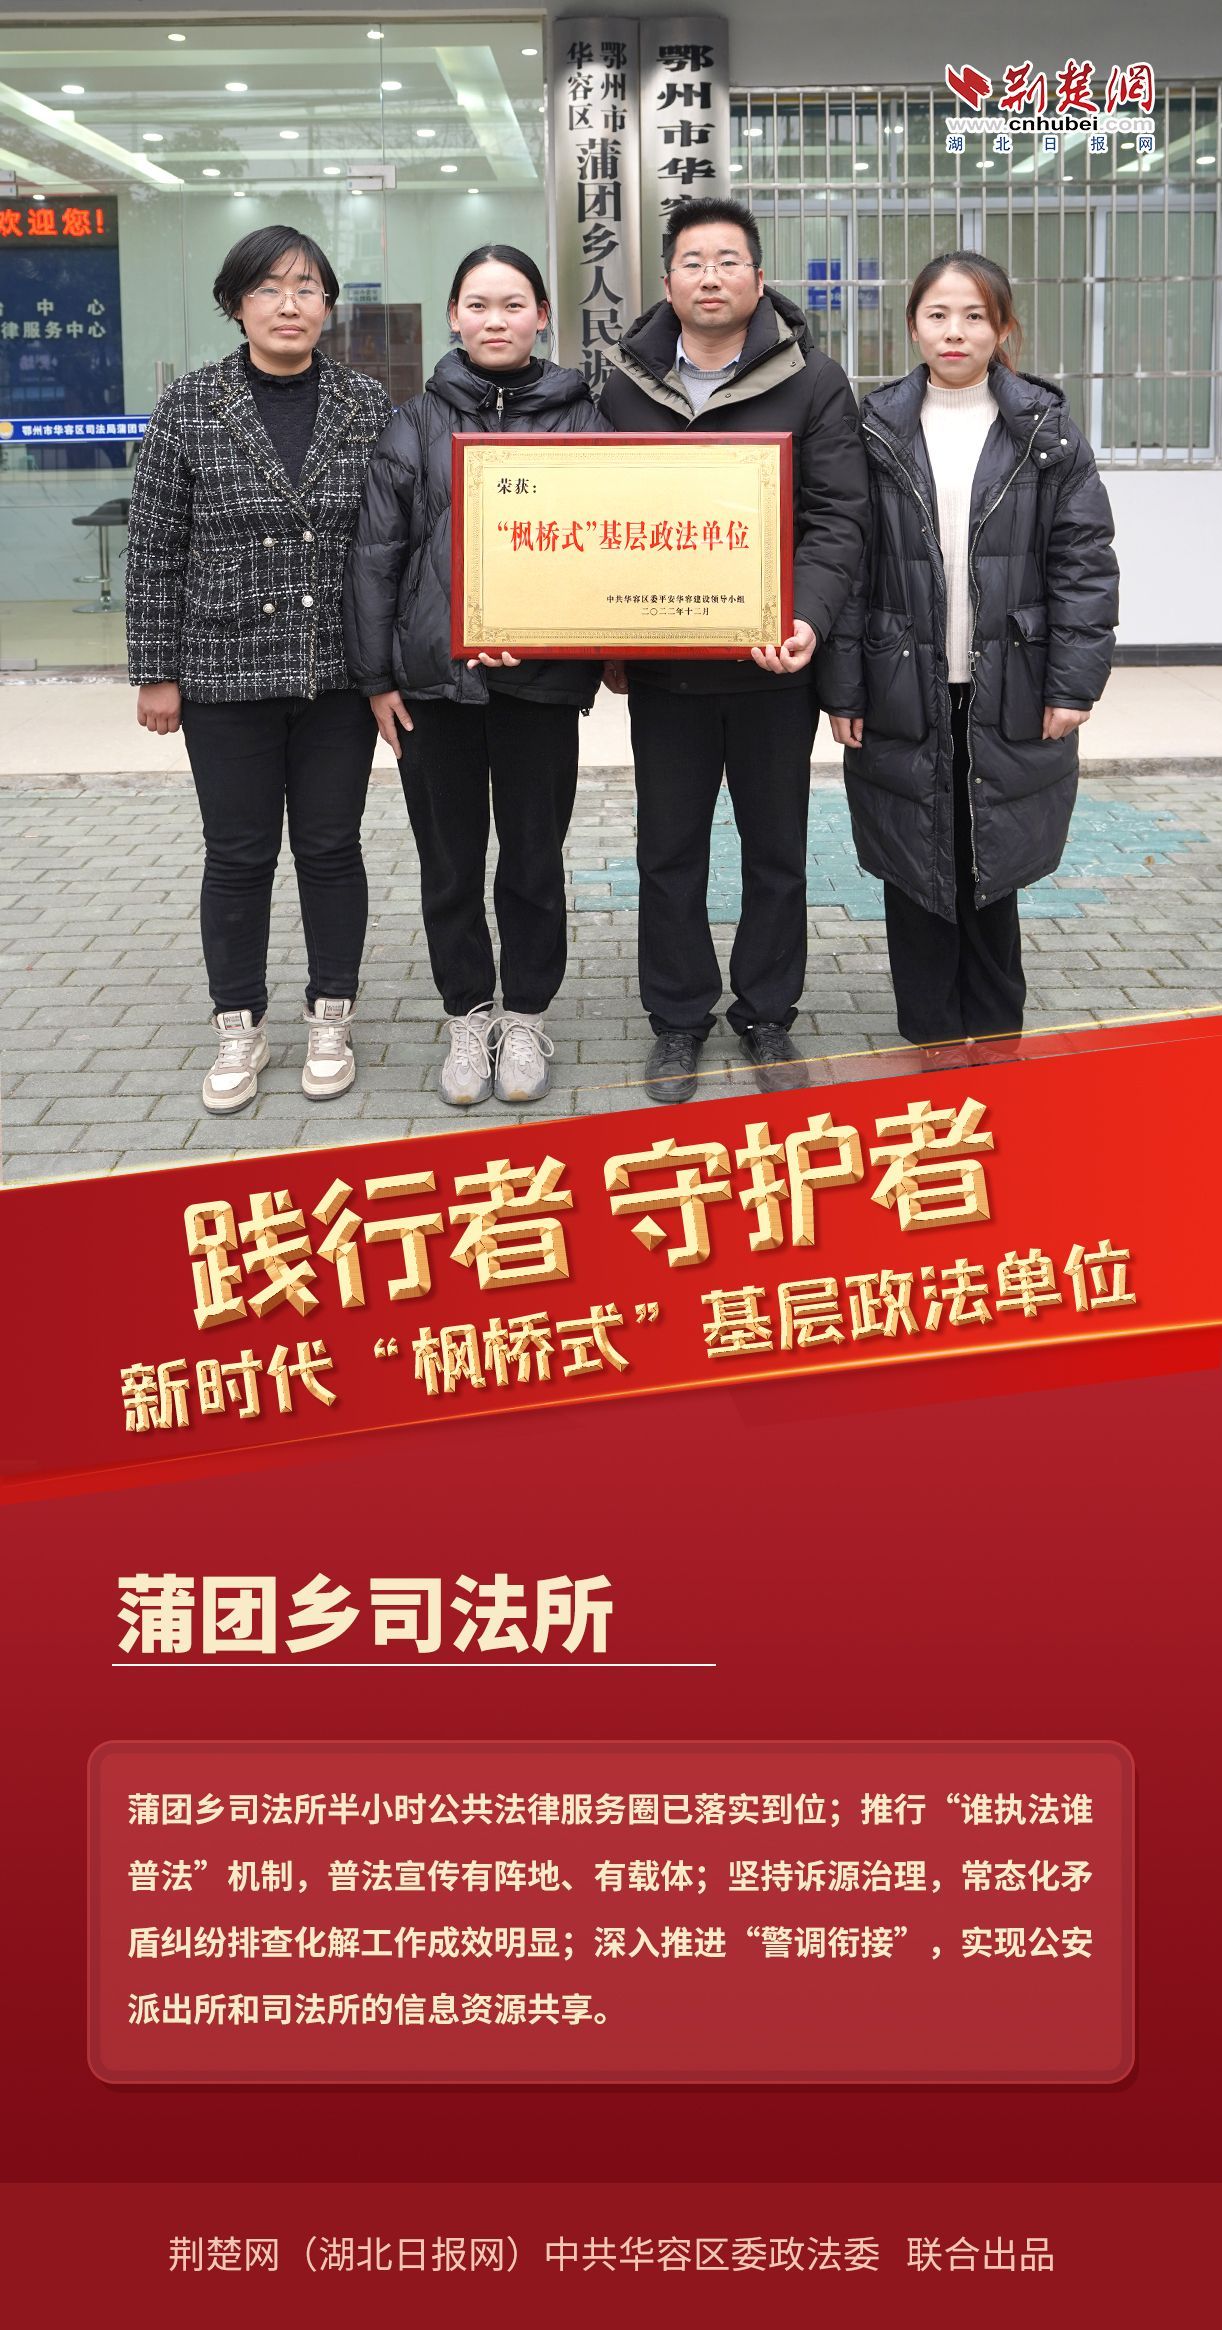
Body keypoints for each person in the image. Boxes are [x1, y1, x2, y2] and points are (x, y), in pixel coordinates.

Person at [598, 195, 869, 1101]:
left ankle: (766, 1012)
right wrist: (602, 632)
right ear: (666, 280)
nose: (710, 277)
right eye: (693, 262)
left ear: (758, 278)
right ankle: (678, 1017)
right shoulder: (623, 385)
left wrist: (808, 618)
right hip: (667, 669)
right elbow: (597, 515)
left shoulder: (813, 382)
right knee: (668, 850)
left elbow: (837, 518)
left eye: (727, 261)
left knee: (775, 851)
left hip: (772, 666)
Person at [818, 251, 1119, 1049]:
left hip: (1012, 679)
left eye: (975, 316)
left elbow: (1084, 564)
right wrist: (842, 687)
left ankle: (993, 1034)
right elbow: (847, 567)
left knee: (992, 858)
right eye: (938, 315)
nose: (956, 331)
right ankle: (929, 1039)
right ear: (913, 326)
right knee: (915, 863)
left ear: (1003, 328)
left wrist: (1073, 684)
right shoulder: (874, 429)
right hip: (899, 681)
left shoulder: (1045, 432)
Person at [126, 225, 391, 1112]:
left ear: (328, 306)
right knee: (238, 856)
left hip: (336, 675)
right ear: (236, 304)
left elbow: (393, 539)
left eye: (307, 288)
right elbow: (155, 548)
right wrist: (155, 671)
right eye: (270, 288)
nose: (289, 304)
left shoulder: (365, 403)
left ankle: (330, 1014)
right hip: (221, 670)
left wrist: (390, 668)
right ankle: (238, 1023)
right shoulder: (190, 405)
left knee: (330, 848)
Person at [343, 244, 604, 1107]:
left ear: (542, 317)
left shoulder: (584, 421)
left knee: (533, 858)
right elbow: (377, 558)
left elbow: (606, 550)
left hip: (540, 686)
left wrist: (553, 637)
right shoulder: (412, 422)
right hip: (434, 688)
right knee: (449, 864)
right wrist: (377, 678)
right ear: (454, 315)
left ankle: (525, 1015)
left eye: (514, 304)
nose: (497, 320)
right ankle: (467, 1014)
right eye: (480, 305)